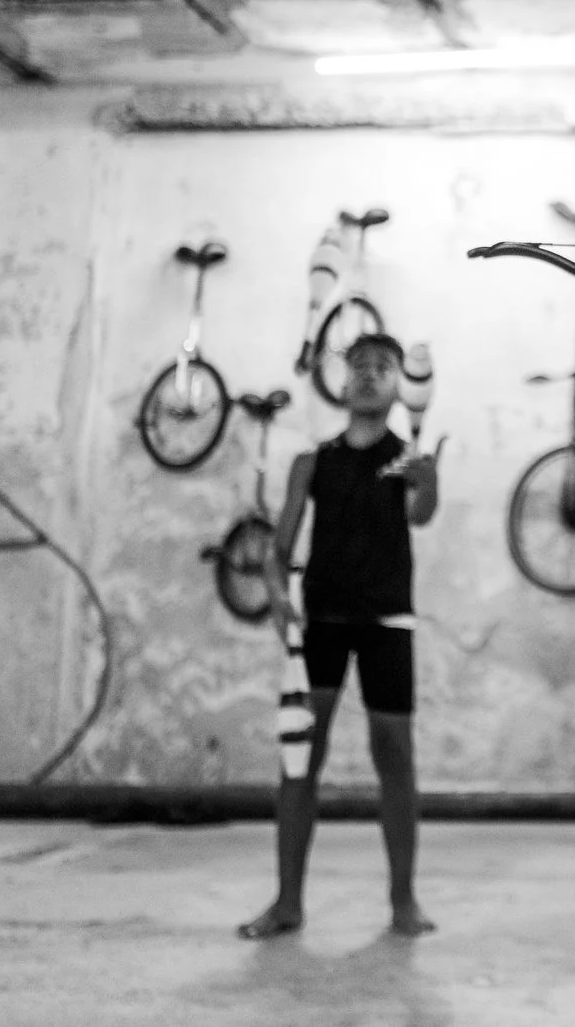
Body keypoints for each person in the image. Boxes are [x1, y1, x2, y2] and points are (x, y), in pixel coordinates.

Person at [239, 331, 441, 939]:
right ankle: (287, 902)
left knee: (396, 758)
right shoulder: (313, 461)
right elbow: (278, 550)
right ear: (343, 381)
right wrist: (277, 597)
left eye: (383, 366)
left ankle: (403, 900)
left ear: (399, 381)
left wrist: (428, 478)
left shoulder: (407, 457)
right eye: (360, 366)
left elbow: (420, 514)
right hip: (321, 622)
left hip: (387, 621)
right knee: (300, 761)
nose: (369, 375)